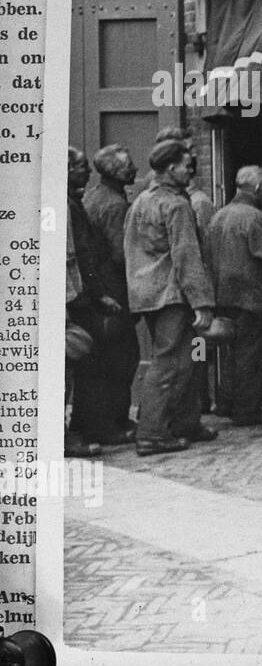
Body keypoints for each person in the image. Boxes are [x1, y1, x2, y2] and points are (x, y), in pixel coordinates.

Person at [124, 139, 216, 456]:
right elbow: (187, 257)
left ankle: (183, 424)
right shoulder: (176, 204)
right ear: (170, 168)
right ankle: (151, 434)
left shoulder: (141, 202)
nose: (191, 169)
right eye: (186, 165)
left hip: (149, 295)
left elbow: (131, 251)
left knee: (184, 361)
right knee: (169, 364)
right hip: (172, 296)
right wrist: (202, 303)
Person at [205, 165, 262, 426]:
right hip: (252, 298)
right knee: (251, 355)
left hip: (222, 296)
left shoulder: (219, 215)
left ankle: (225, 402)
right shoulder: (255, 218)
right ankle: (247, 410)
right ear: (258, 188)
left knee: (229, 354)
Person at [66, 148, 124, 455]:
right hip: (79, 297)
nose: (86, 173)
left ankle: (80, 425)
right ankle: (89, 427)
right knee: (89, 362)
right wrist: (99, 293)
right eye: (79, 167)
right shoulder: (70, 207)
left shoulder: (79, 202)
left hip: (78, 294)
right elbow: (82, 255)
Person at [82, 144, 140, 443]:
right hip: (114, 291)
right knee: (123, 358)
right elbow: (121, 255)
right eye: (129, 165)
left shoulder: (92, 196)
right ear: (116, 172)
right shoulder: (116, 205)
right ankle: (115, 423)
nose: (135, 169)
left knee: (103, 359)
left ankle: (106, 420)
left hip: (98, 291)